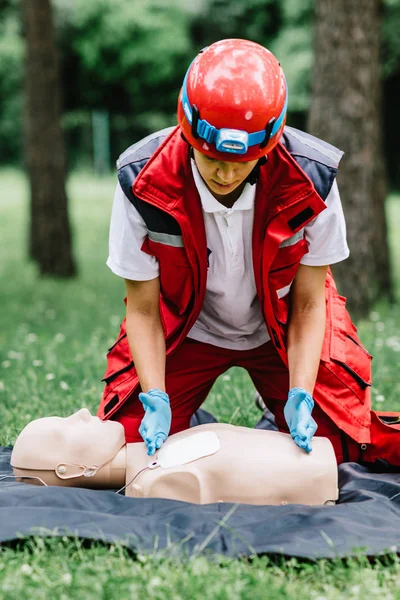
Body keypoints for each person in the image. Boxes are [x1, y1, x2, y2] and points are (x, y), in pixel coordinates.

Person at [98, 38, 399, 469]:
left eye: (240, 162)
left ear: (271, 142)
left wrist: (300, 393)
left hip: (281, 328)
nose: (225, 172)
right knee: (127, 449)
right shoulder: (141, 179)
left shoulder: (313, 177)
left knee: (340, 449)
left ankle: (277, 411)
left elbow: (311, 301)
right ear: (187, 132)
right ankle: (187, 416)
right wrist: (157, 398)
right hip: (185, 329)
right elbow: (143, 311)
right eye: (211, 158)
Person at [10, 408, 339, 505]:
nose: (81, 412)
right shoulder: (159, 481)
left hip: (316, 458)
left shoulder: (160, 459)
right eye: (66, 428)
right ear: (67, 470)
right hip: (317, 475)